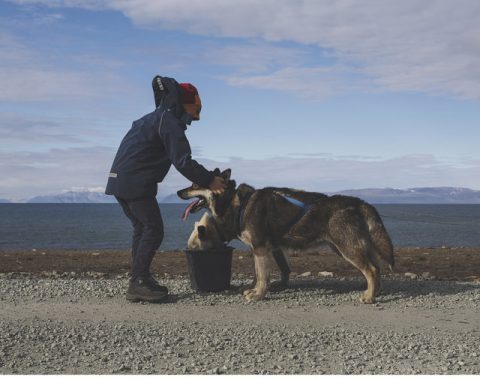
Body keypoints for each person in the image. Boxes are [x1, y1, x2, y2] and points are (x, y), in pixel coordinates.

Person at [105, 76, 225, 303]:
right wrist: (210, 180)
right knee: (153, 229)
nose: (197, 115)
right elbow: (183, 161)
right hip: (135, 182)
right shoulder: (167, 121)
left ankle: (139, 279)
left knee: (142, 229)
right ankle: (138, 282)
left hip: (120, 181)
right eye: (198, 108)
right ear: (186, 102)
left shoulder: (151, 119)